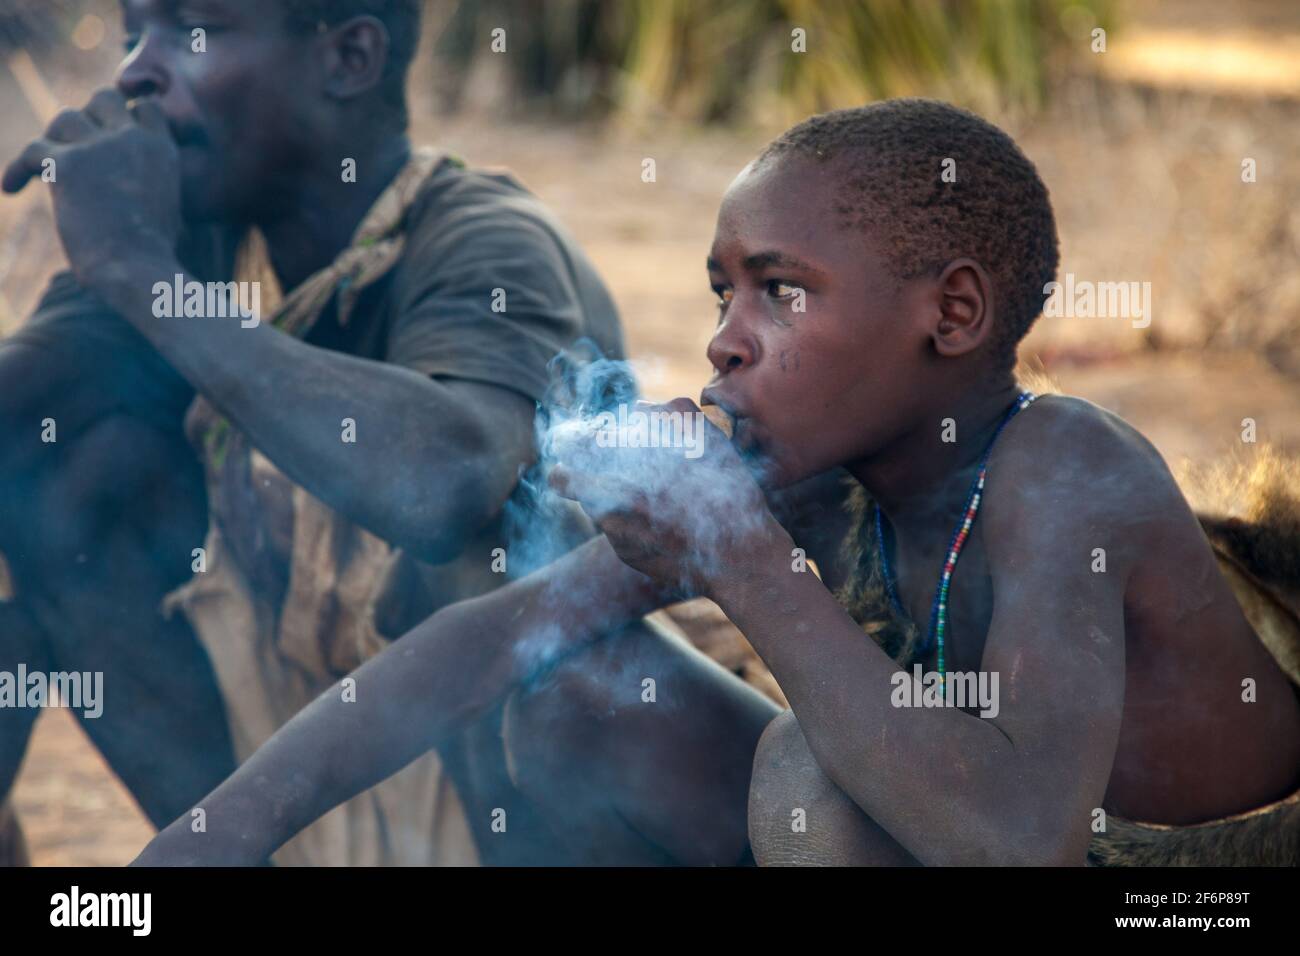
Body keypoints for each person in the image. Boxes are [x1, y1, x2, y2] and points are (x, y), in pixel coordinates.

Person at [133, 98, 1300, 867]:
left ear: (951, 313)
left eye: (780, 292)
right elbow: (487, 641)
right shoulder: (819, 477)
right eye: (721, 293)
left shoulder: (1065, 472)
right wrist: (216, 833)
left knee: (809, 772)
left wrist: (743, 557)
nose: (726, 342)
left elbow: (1013, 836)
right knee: (578, 684)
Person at [1, 0, 626, 865]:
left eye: (192, 33)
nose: (136, 72)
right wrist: (112, 260)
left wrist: (134, 270)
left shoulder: (488, 243)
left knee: (490, 547)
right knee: (52, 476)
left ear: (350, 58)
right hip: (284, 798)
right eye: (129, 35)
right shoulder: (189, 239)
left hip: (506, 806)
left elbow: (446, 486)